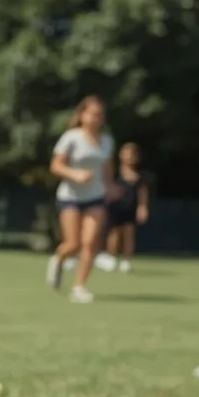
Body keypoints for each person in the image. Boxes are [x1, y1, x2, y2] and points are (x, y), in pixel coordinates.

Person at [45, 95, 118, 304]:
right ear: (82, 115)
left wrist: (111, 187)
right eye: (92, 113)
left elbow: (107, 170)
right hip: (71, 196)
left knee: (90, 243)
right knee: (73, 243)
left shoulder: (106, 141)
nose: (96, 118)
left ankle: (79, 287)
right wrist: (75, 174)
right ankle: (58, 259)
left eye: (100, 115)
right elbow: (56, 166)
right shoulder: (71, 137)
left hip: (95, 197)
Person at [103, 142, 149, 273]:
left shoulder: (139, 176)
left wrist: (142, 207)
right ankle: (111, 258)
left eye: (132, 155)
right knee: (114, 233)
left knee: (129, 234)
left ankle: (126, 260)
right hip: (116, 206)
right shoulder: (115, 173)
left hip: (131, 207)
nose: (129, 157)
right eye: (126, 154)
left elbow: (142, 192)